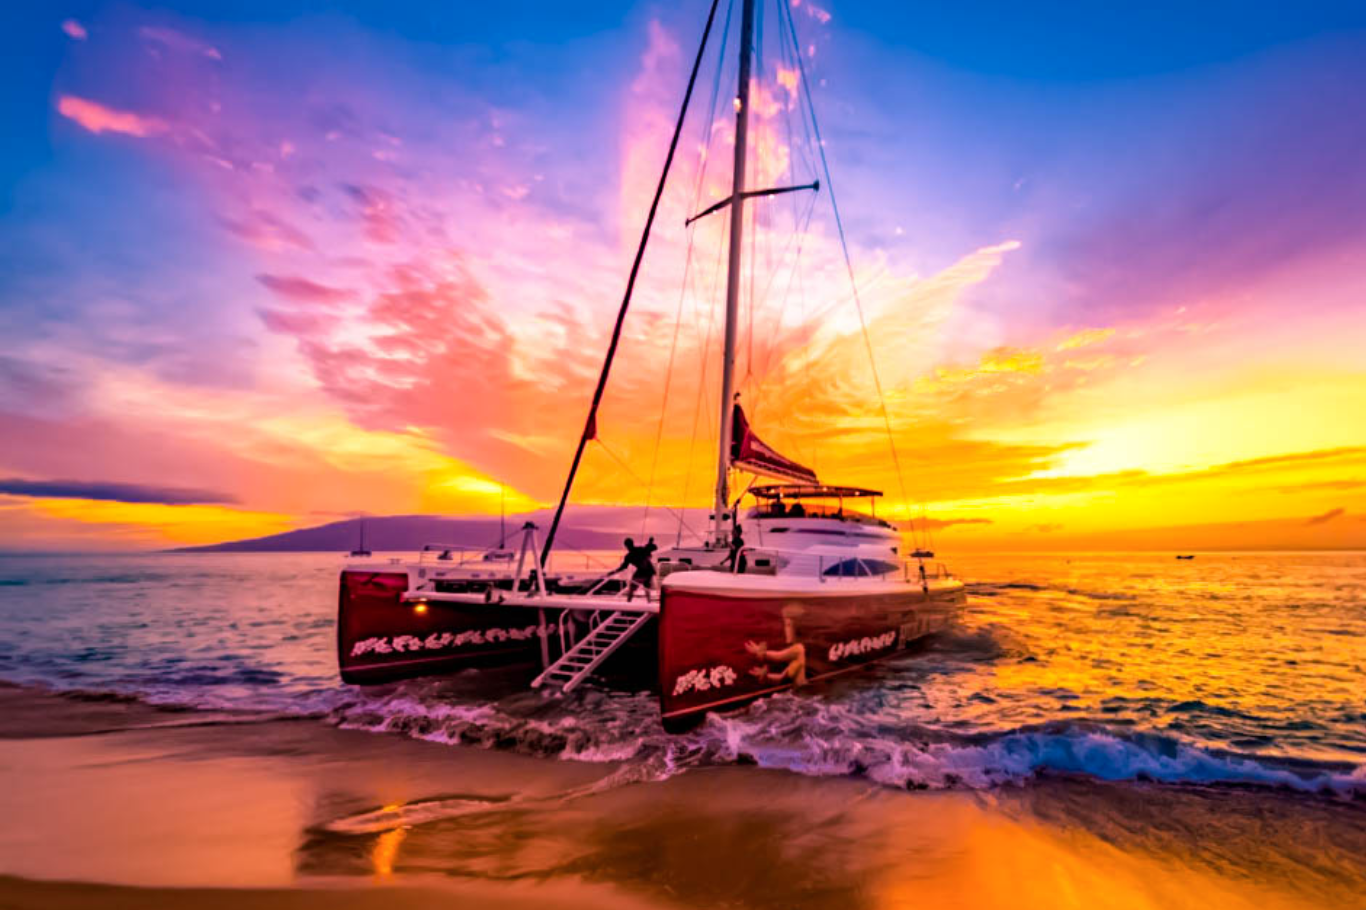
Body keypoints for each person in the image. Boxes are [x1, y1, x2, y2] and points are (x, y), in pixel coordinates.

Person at [614, 536, 658, 602]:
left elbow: (623, 567)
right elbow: (624, 566)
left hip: (645, 571)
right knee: (645, 588)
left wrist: (650, 545)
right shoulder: (636, 552)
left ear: (625, 546)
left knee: (633, 587)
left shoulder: (631, 555)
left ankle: (629, 603)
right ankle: (648, 603)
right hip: (648, 571)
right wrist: (650, 545)